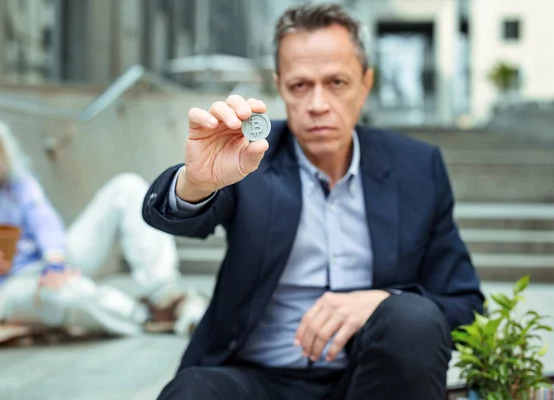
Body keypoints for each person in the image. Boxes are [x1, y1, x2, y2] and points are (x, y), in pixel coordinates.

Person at [143, 3, 485, 400]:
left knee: (412, 317)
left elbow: (465, 306)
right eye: (300, 85)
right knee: (194, 392)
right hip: (254, 379)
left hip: (367, 382)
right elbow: (181, 218)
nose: (318, 104)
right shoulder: (248, 157)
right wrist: (197, 182)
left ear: (365, 83)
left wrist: (380, 302)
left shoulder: (416, 168)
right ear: (280, 86)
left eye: (336, 82)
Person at [0, 92, 206, 337]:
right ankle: (142, 315)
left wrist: (55, 260)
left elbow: (44, 220)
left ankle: (165, 295)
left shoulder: (15, 181)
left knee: (126, 188)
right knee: (62, 294)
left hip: (48, 263)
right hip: (3, 288)